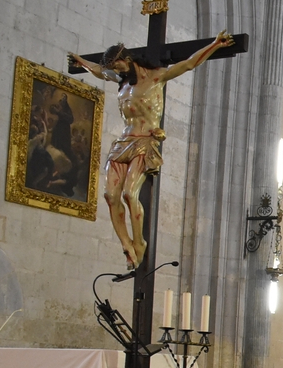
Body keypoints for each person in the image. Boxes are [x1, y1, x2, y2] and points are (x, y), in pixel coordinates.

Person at [69, 31, 234, 268]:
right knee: (110, 195)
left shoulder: (157, 76)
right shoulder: (121, 80)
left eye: (118, 66)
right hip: (123, 142)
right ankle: (126, 244)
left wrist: (215, 45)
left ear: (127, 59)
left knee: (129, 193)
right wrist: (82, 62)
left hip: (145, 141)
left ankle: (139, 242)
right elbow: (98, 71)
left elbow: (188, 64)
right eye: (114, 68)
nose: (117, 71)